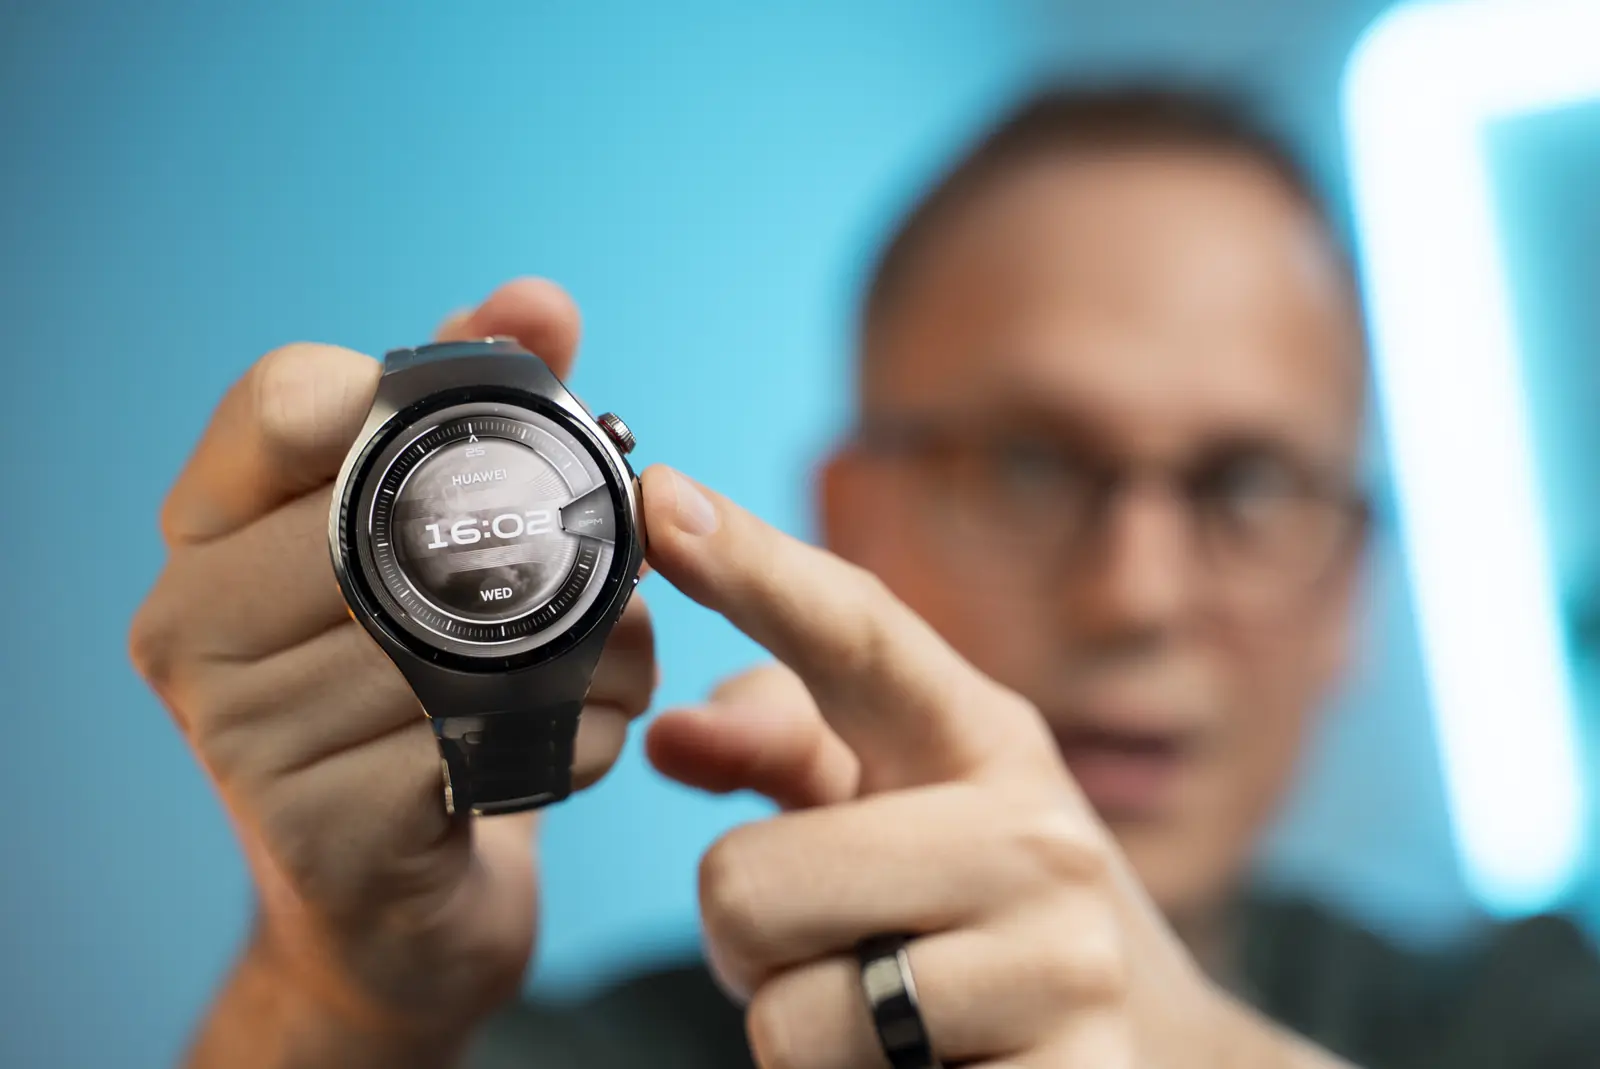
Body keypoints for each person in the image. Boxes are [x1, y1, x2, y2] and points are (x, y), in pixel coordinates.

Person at [129, 85, 1600, 1069]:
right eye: (1030, 465)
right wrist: (340, 1004)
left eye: (1250, 486)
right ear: (846, 524)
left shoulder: (1533, 1014)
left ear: (1352, 591)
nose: (1140, 595)